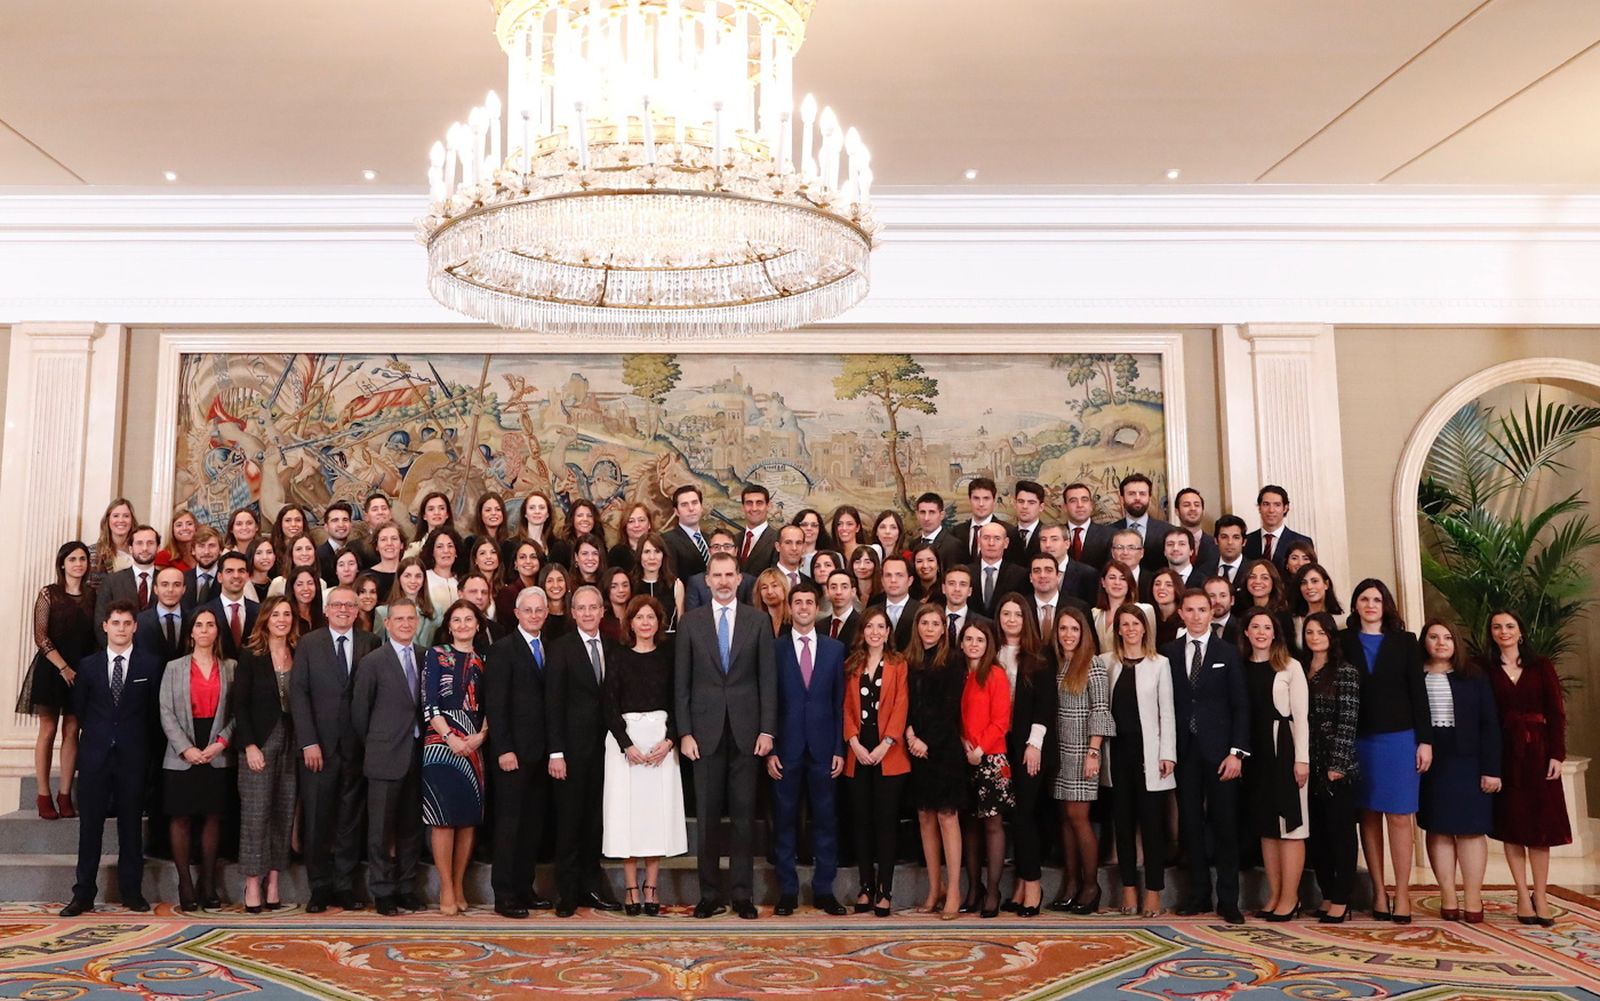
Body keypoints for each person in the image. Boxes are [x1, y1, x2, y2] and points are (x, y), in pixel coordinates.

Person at [675, 552, 777, 920]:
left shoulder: (758, 621)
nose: (722, 581)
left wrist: (767, 730)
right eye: (716, 575)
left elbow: (768, 680)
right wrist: (684, 732)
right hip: (703, 735)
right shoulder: (690, 623)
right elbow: (681, 685)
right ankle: (709, 894)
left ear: (739, 579)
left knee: (743, 817)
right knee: (707, 818)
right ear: (706, 580)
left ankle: (742, 894)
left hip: (748, 735)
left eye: (728, 575)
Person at [1339, 579, 1432, 923]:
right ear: (1355, 605)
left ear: (1386, 605)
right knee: (1368, 815)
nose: (1370, 604)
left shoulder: (1406, 643)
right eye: (1363, 599)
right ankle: (1379, 890)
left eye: (1376, 599)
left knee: (1398, 816)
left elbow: (1418, 694)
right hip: (1359, 739)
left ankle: (1403, 893)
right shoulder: (1343, 640)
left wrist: (1425, 741)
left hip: (1399, 738)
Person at [61, 600, 158, 917]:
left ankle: (132, 892)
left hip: (133, 756)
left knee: (131, 827)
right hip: (95, 757)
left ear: (135, 627)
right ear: (105, 626)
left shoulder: (150, 665)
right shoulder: (87, 666)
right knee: (90, 828)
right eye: (115, 622)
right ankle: (83, 894)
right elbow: (81, 713)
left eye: (126, 623)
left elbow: (153, 717)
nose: (121, 628)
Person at [289, 583, 381, 913]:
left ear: (358, 611)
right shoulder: (309, 643)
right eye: (337, 605)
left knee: (350, 820)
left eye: (350, 605)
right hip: (319, 749)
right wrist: (309, 741)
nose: (343, 610)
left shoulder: (371, 643)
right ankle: (319, 887)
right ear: (326, 610)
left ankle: (344, 885)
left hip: (356, 747)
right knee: (317, 820)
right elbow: (298, 694)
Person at [1163, 588, 1248, 925]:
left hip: (1221, 754)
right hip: (1184, 752)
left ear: (1212, 612)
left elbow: (1241, 706)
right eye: (1190, 610)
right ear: (1181, 613)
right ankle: (1198, 894)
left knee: (1226, 824)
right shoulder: (1168, 653)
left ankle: (1229, 899)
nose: (1197, 616)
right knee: (1191, 825)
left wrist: (1236, 753)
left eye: (1203, 609)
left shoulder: (1228, 652)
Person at [601, 595, 686, 916]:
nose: (646, 622)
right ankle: (630, 887)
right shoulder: (618, 656)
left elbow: (679, 700)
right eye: (640, 617)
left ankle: (652, 886)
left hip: (661, 745)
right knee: (627, 816)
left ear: (659, 622)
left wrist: (670, 740)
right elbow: (608, 705)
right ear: (630, 623)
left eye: (651, 617)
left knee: (655, 816)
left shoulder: (668, 656)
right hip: (626, 746)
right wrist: (626, 744)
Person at [1485, 609, 1570, 927]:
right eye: (1496, 627)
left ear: (1521, 631)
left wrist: (1557, 755)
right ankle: (1522, 893)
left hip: (1540, 754)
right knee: (1512, 827)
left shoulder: (1541, 666)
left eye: (1509, 626)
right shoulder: (1486, 669)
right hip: (1505, 755)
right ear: (1491, 633)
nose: (1503, 631)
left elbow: (1557, 713)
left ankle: (1541, 894)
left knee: (1540, 830)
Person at [768, 584, 848, 917]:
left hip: (823, 747)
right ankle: (787, 890)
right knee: (784, 820)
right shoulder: (774, 649)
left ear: (818, 609)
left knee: (826, 820)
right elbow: (769, 700)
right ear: (789, 608)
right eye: (797, 602)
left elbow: (840, 702)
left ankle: (824, 890)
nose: (803, 607)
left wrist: (839, 748)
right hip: (785, 748)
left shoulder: (835, 649)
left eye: (809, 603)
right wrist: (769, 747)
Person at [545, 585, 624, 916]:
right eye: (582, 608)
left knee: (595, 822)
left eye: (594, 607)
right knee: (568, 823)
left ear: (602, 611)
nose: (588, 613)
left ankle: (591, 887)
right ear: (573, 612)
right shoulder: (560, 648)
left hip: (604, 751)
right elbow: (553, 703)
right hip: (570, 752)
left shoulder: (612, 645)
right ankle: (566, 892)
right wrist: (556, 752)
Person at [1418, 618, 1501, 925]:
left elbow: (1490, 723)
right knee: (1438, 827)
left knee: (1470, 829)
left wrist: (1492, 769)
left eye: (1447, 638)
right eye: (1434, 637)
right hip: (1430, 760)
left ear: (1456, 643)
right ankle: (1448, 896)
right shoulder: (1415, 676)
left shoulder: (1473, 676)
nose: (1441, 643)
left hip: (1468, 760)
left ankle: (1473, 895)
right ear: (1424, 642)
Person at [351, 597, 427, 916]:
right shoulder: (373, 661)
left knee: (412, 827)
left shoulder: (427, 657)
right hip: (384, 755)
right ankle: (382, 890)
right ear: (388, 623)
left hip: (419, 754)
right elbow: (359, 713)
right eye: (400, 619)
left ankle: (407, 887)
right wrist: (375, 745)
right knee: (381, 829)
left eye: (412, 619)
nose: (407, 624)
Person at [484, 585, 556, 918]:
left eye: (539, 610)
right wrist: (503, 748)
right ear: (516, 614)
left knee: (533, 825)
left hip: (541, 753)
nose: (534, 615)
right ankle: (505, 894)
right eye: (528, 610)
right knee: (509, 825)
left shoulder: (550, 647)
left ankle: (525, 888)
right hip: (512, 754)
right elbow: (495, 705)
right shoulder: (502, 650)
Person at [157, 606, 236, 911]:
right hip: (181, 751)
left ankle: (208, 883)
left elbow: (237, 714)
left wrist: (221, 743)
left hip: (217, 749)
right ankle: (185, 882)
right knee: (182, 817)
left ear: (217, 631)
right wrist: (185, 748)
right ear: (190, 632)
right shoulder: (174, 667)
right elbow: (165, 711)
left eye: (210, 625)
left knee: (213, 817)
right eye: (199, 625)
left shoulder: (231, 667)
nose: (204, 630)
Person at [1100, 604, 1175, 918]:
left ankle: (1153, 893)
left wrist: (1167, 753)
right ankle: (1128, 889)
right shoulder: (1106, 663)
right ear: (1117, 629)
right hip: (1116, 753)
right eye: (1125, 624)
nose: (1131, 629)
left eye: (1136, 624)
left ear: (1145, 628)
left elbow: (1166, 712)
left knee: (1151, 826)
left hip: (1150, 754)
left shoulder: (1160, 664)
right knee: (1123, 824)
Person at [1239, 607, 1310, 921]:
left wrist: (1302, 759)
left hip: (1285, 748)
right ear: (1246, 633)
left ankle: (1291, 897)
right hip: (1256, 753)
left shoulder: (1290, 667)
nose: (1261, 632)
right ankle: (1275, 893)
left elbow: (1302, 718)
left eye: (1266, 627)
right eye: (1255, 627)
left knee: (1290, 827)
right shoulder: (1240, 667)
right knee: (1267, 828)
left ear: (1275, 633)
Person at [422, 599, 490, 916]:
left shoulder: (485, 660)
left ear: (478, 624)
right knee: (443, 818)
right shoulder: (436, 656)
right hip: (440, 742)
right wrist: (449, 737)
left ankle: (460, 883)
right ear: (449, 625)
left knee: (467, 820)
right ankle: (445, 887)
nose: (463, 625)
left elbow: (491, 705)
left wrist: (480, 737)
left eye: (469, 619)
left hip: (474, 744)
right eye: (457, 620)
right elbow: (429, 702)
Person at [233, 595, 300, 913]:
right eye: (276, 614)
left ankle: (273, 882)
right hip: (259, 742)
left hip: (292, 740)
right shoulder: (250, 655)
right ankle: (251, 884)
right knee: (256, 817)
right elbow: (239, 705)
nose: (282, 619)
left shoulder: (298, 652)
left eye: (287, 614)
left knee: (283, 813)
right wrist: (249, 746)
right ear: (265, 619)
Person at [18, 541, 93, 820]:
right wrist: (63, 667)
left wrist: (82, 670)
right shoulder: (48, 593)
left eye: (82, 559)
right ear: (62, 563)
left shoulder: (92, 595)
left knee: (72, 731)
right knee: (48, 730)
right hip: (52, 669)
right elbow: (41, 636)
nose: (78, 564)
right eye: (72, 559)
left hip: (82, 670)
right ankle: (43, 794)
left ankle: (64, 794)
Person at [843, 606, 909, 917]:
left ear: (888, 632)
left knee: (885, 823)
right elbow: (845, 708)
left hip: (888, 754)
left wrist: (886, 743)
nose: (875, 632)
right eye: (869, 626)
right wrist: (853, 742)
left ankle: (885, 889)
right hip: (857, 753)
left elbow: (900, 706)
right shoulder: (852, 664)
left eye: (880, 626)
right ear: (863, 631)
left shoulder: (898, 664)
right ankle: (865, 886)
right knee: (861, 822)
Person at [1048, 606, 1111, 915]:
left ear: (1083, 633)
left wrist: (1094, 751)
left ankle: (1091, 885)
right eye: (1063, 629)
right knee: (1063, 819)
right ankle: (1071, 883)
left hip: (1082, 752)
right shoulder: (1058, 664)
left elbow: (1100, 709)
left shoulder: (1094, 664)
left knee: (1079, 818)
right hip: (1058, 752)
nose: (1068, 635)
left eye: (1074, 629)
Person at [995, 594, 1055, 917]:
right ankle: (1019, 886)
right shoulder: (991, 652)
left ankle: (1034, 885)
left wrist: (1035, 744)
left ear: (1026, 618)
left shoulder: (1039, 655)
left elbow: (1046, 704)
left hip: (1030, 746)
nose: (1011, 619)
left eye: (1017, 614)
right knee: (1013, 816)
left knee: (1024, 814)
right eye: (1006, 613)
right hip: (998, 744)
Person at [904, 604, 965, 920]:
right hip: (916, 748)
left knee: (946, 816)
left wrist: (927, 740)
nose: (929, 628)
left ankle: (954, 888)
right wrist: (911, 735)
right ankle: (934, 887)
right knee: (924, 816)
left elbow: (950, 708)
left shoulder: (953, 660)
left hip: (943, 749)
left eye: (935, 623)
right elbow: (906, 703)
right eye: (924, 622)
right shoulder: (909, 659)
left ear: (944, 628)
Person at [1301, 612, 1360, 924]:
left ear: (1330, 636)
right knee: (1318, 834)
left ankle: (1342, 897)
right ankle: (1326, 894)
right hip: (1307, 759)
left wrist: (1338, 763)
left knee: (1341, 832)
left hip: (1336, 761)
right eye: (1309, 632)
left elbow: (1349, 721)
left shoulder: (1345, 671)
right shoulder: (1300, 668)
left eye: (1320, 632)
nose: (1314, 637)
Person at [957, 620, 1013, 919]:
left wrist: (979, 749)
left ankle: (993, 890)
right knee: (970, 826)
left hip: (991, 758)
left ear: (987, 643)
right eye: (968, 639)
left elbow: (1001, 720)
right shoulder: (959, 674)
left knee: (992, 824)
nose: (974, 644)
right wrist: (965, 743)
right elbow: (956, 716)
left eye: (979, 639)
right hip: (964, 756)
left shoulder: (995, 674)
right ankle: (973, 888)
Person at [94, 523, 161, 641]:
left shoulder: (167, 581)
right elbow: (100, 622)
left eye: (150, 543)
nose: (145, 548)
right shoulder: (112, 581)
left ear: (158, 547)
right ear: (131, 548)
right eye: (139, 543)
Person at [199, 550, 260, 660]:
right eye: (229, 571)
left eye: (241, 571)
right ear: (219, 577)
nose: (236, 576)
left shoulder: (260, 611)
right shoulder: (204, 612)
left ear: (247, 576)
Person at [1111, 473, 1172, 573]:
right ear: (1122, 499)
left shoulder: (1167, 531)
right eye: (1132, 494)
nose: (1137, 498)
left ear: (1149, 498)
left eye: (1142, 494)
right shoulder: (1109, 532)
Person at [1244, 485, 1314, 571]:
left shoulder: (1302, 541)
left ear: (1285, 508)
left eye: (1277, 505)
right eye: (1266, 504)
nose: (1271, 510)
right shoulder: (1246, 541)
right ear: (1259, 508)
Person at [375, 558, 440, 646]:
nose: (413, 581)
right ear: (399, 578)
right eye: (407, 576)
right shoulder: (382, 612)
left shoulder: (437, 611)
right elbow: (379, 648)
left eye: (418, 576)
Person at [1092, 561, 1153, 654]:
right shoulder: (1094, 613)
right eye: (1112, 578)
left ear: (1129, 583)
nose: (1117, 582)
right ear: (1103, 582)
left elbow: (1150, 646)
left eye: (1123, 579)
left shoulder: (1144, 610)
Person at [969, 522, 1027, 619]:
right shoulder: (967, 573)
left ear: (1006, 543)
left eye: (997, 538)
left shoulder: (1019, 575)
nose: (991, 543)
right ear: (978, 541)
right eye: (986, 538)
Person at [631, 533, 684, 637]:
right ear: (639, 555)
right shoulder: (630, 584)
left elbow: (680, 624)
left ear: (663, 555)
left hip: (669, 646)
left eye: (657, 552)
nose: (652, 557)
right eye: (647, 552)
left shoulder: (676, 585)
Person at [954, 477, 1013, 563]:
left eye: (986, 498)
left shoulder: (1008, 531)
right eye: (976, 498)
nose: (981, 504)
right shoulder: (957, 532)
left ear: (994, 500)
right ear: (970, 499)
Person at [1291, 562, 1343, 653]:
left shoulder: (1341, 621)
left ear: (1326, 584)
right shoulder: (1294, 621)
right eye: (1303, 583)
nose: (1309, 587)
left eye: (1314, 581)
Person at [87, 497, 137, 590]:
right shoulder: (91, 552)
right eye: (116, 516)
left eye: (126, 516)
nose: (121, 520)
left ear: (132, 520)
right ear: (108, 520)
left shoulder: (139, 552)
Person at [662, 485, 710, 580]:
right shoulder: (667, 540)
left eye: (695, 503)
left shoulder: (710, 538)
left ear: (701, 507)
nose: (691, 508)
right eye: (684, 505)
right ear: (676, 511)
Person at [1061, 482, 1113, 569]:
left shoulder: (1109, 535)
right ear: (1065, 507)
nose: (1080, 505)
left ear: (1091, 505)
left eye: (1084, 500)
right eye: (1073, 501)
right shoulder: (1055, 534)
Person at [913, 492, 967, 569]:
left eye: (932, 512)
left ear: (942, 515)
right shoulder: (913, 544)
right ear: (917, 515)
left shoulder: (953, 546)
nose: (926, 518)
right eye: (922, 512)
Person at [497, 539, 546, 625]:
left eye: (533, 557)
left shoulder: (545, 589)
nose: (528, 561)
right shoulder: (507, 593)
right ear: (515, 564)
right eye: (522, 557)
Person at [735, 484, 779, 572]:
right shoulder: (734, 539)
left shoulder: (777, 540)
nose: (754, 508)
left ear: (768, 506)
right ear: (742, 507)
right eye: (749, 503)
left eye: (759, 503)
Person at [420, 527, 463, 612]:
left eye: (450, 546)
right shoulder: (423, 578)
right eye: (440, 547)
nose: (446, 551)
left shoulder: (462, 580)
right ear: (432, 552)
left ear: (456, 552)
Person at [520, 491, 566, 567]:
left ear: (548, 514)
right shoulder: (512, 544)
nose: (537, 511)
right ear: (525, 513)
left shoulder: (559, 546)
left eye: (542, 508)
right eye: (532, 508)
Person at [1007, 480, 1047, 567]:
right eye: (1021, 501)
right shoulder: (1006, 535)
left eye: (1031, 502)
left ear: (1041, 507)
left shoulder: (1048, 537)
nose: (1024, 506)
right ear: (1015, 504)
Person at [316, 502, 357, 587]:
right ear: (326, 527)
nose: (341, 525)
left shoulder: (357, 551)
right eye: (335, 520)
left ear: (351, 525)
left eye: (345, 520)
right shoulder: (318, 555)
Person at [181, 525, 222, 606]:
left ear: (220, 549)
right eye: (201, 546)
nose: (206, 552)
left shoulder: (227, 579)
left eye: (212, 546)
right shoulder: (183, 579)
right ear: (193, 550)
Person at [610, 501, 655, 573]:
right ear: (625, 526)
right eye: (631, 521)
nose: (637, 525)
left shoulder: (659, 550)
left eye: (641, 520)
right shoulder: (617, 553)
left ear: (649, 524)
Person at [822, 569, 861, 649]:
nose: (838, 592)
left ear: (853, 592)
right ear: (827, 592)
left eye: (844, 587)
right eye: (833, 587)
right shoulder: (819, 626)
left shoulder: (862, 624)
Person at [367, 522, 405, 598]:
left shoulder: (410, 573)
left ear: (401, 545)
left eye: (394, 538)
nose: (389, 543)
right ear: (376, 546)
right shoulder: (367, 576)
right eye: (383, 539)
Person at [1148, 568, 1184, 645]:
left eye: (1169, 585)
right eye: (1157, 584)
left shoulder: (1184, 620)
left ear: (1177, 589)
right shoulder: (1148, 618)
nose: (1161, 588)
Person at [1212, 515, 1248, 589]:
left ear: (1244, 542)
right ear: (1216, 540)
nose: (1230, 542)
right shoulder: (1204, 571)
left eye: (1236, 537)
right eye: (1224, 537)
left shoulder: (1252, 570)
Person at [600, 566, 635, 643]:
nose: (621, 590)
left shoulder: (637, 615)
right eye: (614, 586)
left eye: (625, 585)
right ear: (606, 589)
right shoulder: (600, 620)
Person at [790, 508, 830, 574]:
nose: (809, 528)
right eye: (804, 524)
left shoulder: (828, 557)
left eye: (814, 525)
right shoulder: (786, 556)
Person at [754, 567, 791, 636]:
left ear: (784, 589)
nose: (769, 592)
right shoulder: (755, 622)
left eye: (774, 586)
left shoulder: (795, 620)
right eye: (764, 587)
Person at [909, 541, 946, 605]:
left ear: (938, 564)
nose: (925, 566)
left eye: (930, 560)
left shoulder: (946, 591)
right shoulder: (908, 592)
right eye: (919, 561)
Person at [244, 538, 276, 602]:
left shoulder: (276, 584)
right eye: (258, 553)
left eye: (269, 552)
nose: (265, 557)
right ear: (251, 556)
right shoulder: (243, 585)